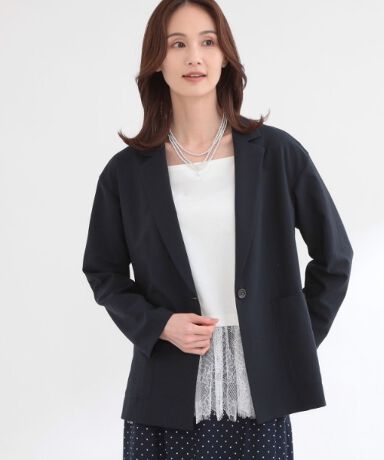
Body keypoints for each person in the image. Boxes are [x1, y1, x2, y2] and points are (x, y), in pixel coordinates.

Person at [82, 1, 353, 458]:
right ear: (156, 61)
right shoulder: (125, 173)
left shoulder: (277, 155)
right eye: (177, 44)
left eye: (208, 42)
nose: (194, 57)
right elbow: (103, 272)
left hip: (259, 396)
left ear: (225, 56)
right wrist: (159, 324)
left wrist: (293, 338)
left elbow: (335, 257)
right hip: (165, 396)